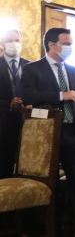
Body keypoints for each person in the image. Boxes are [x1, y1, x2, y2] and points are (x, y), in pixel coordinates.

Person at [21, 28, 75, 237]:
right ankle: (45, 225)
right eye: (67, 43)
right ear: (52, 45)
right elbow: (27, 96)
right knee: (46, 182)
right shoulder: (33, 69)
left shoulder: (72, 70)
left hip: (72, 132)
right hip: (46, 135)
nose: (70, 47)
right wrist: (62, 95)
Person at [0, 29, 30, 179]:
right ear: (2, 44)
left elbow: (37, 93)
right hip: (3, 122)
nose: (14, 44)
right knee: (4, 162)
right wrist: (8, 104)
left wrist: (30, 104)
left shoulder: (31, 67)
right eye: (9, 41)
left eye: (17, 40)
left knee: (28, 160)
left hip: (28, 121)